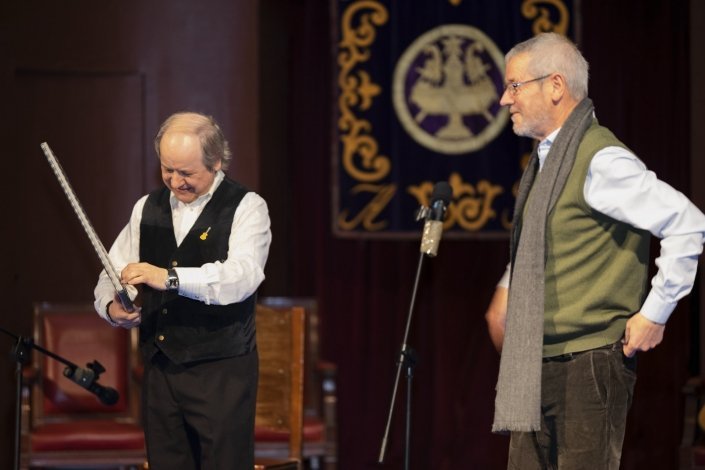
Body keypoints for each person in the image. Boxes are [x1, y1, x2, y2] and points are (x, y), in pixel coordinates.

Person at [485, 33, 705, 469]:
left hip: (587, 364)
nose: (505, 99)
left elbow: (688, 223)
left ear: (555, 85)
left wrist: (654, 313)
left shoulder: (601, 159)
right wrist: (509, 290)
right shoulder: (549, 161)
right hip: (538, 362)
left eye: (514, 86)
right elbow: (547, 238)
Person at [94, 111, 271, 469]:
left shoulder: (247, 207)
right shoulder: (146, 208)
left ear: (216, 161)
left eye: (187, 173)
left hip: (220, 372)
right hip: (160, 370)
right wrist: (111, 308)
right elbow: (110, 273)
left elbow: (242, 277)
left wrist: (170, 278)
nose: (176, 181)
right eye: (167, 169)